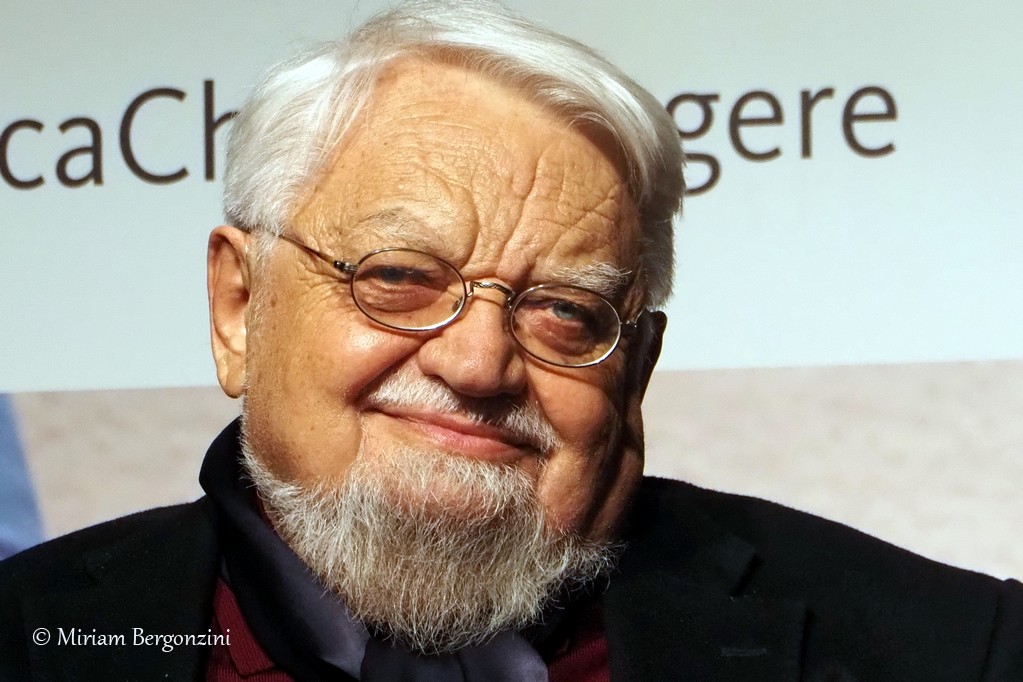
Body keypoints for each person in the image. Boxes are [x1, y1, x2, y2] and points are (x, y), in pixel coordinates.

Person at [1, 1, 1020, 679]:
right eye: (399, 278)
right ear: (238, 306)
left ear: (636, 369)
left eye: (564, 311)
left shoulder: (952, 650)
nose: (479, 363)